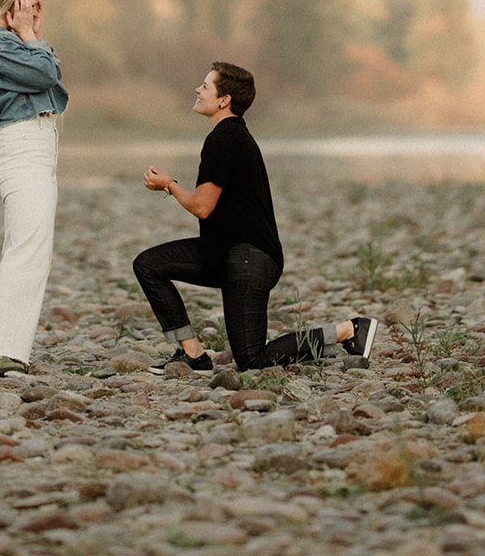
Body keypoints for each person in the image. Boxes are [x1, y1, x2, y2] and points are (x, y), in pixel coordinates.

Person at [133, 62, 377, 374]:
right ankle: (193, 354)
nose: (197, 89)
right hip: (224, 253)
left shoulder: (225, 139)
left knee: (251, 359)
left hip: (249, 258)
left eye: (205, 86)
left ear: (224, 100)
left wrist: (168, 184)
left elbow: (202, 207)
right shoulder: (230, 136)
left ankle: (348, 331)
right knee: (149, 264)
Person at [0, 0, 68, 378]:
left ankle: (5, 348)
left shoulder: (8, 42)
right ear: (17, 1)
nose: (37, 9)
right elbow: (48, 73)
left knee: (31, 247)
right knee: (27, 249)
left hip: (34, 147)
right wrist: (31, 38)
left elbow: (50, 77)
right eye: (33, 2)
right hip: (22, 147)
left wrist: (33, 37)